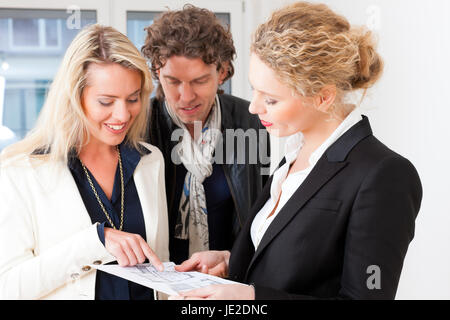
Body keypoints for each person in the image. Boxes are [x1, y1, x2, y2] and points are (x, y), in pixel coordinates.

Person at [173, 1, 422, 300]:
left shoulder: (384, 175)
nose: (253, 107)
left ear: (323, 98)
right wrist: (231, 261)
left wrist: (252, 299)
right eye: (254, 90)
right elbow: (295, 260)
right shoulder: (293, 154)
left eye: (271, 99)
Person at [0, 24, 168, 300]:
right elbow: (8, 288)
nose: (123, 115)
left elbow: (159, 264)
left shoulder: (151, 162)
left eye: (133, 98)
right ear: (74, 98)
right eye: (106, 101)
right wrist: (96, 243)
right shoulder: (20, 170)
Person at [142, 5, 270, 265]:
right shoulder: (142, 125)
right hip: (158, 280)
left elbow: (257, 216)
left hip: (227, 278)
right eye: (173, 81)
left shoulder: (251, 121)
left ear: (222, 72)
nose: (186, 97)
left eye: (199, 81)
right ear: (157, 71)